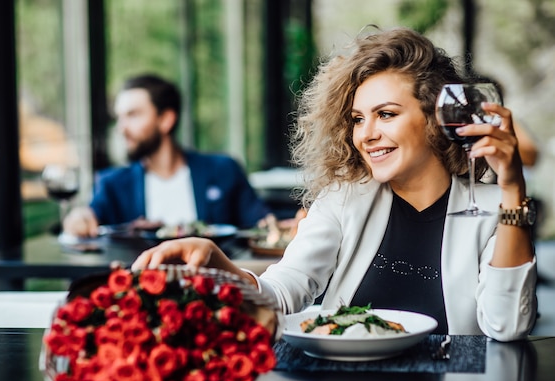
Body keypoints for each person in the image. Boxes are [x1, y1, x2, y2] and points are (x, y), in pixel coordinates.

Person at [131, 27, 538, 342]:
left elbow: (507, 326)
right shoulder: (345, 199)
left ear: (435, 118)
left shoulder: (493, 210)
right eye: (359, 119)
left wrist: (513, 188)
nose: (367, 134)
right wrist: (218, 263)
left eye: (387, 114)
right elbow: (283, 292)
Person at [63, 74, 271, 237]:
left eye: (133, 115)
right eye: (119, 117)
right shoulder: (113, 184)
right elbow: (90, 215)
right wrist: (80, 217)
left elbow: (261, 224)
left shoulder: (223, 170)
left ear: (166, 120)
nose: (121, 128)